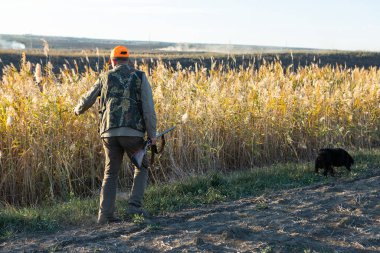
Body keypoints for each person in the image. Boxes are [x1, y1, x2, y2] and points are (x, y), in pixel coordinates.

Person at [74, 45, 157, 224]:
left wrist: (77, 109)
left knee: (110, 172)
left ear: (112, 61)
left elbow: (86, 99)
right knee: (141, 166)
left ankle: (105, 215)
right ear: (128, 60)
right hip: (132, 133)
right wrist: (152, 134)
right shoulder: (140, 76)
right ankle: (134, 207)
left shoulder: (104, 77)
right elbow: (148, 109)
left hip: (109, 133)